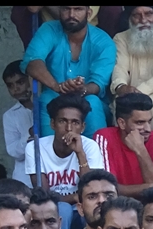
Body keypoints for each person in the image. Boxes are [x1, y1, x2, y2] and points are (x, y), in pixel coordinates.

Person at [22, 5, 116, 134]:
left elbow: (98, 83)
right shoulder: (49, 29)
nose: (71, 14)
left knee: (93, 102)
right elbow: (32, 62)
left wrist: (82, 90)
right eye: (66, 9)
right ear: (60, 11)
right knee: (47, 98)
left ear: (88, 13)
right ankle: (50, 146)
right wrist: (56, 86)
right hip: (55, 95)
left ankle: (95, 147)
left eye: (78, 9)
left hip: (88, 98)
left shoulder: (104, 41)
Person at [25, 95, 106, 201]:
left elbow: (92, 190)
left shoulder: (90, 146)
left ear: (83, 127)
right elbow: (44, 196)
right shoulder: (35, 147)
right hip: (52, 207)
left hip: (82, 206)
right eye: (62, 121)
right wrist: (74, 197)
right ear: (52, 124)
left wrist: (80, 153)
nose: (69, 128)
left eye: (75, 122)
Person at [95, 93, 153, 197]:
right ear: (122, 123)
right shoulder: (104, 137)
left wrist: (141, 150)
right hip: (116, 204)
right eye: (140, 123)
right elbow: (106, 187)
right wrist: (147, 188)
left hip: (149, 205)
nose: (148, 129)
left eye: (149, 121)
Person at [2, 61, 35, 185]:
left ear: (30, 80)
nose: (16, 89)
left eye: (20, 82)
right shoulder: (10, 115)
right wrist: (29, 136)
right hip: (25, 178)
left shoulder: (48, 108)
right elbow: (13, 151)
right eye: (10, 86)